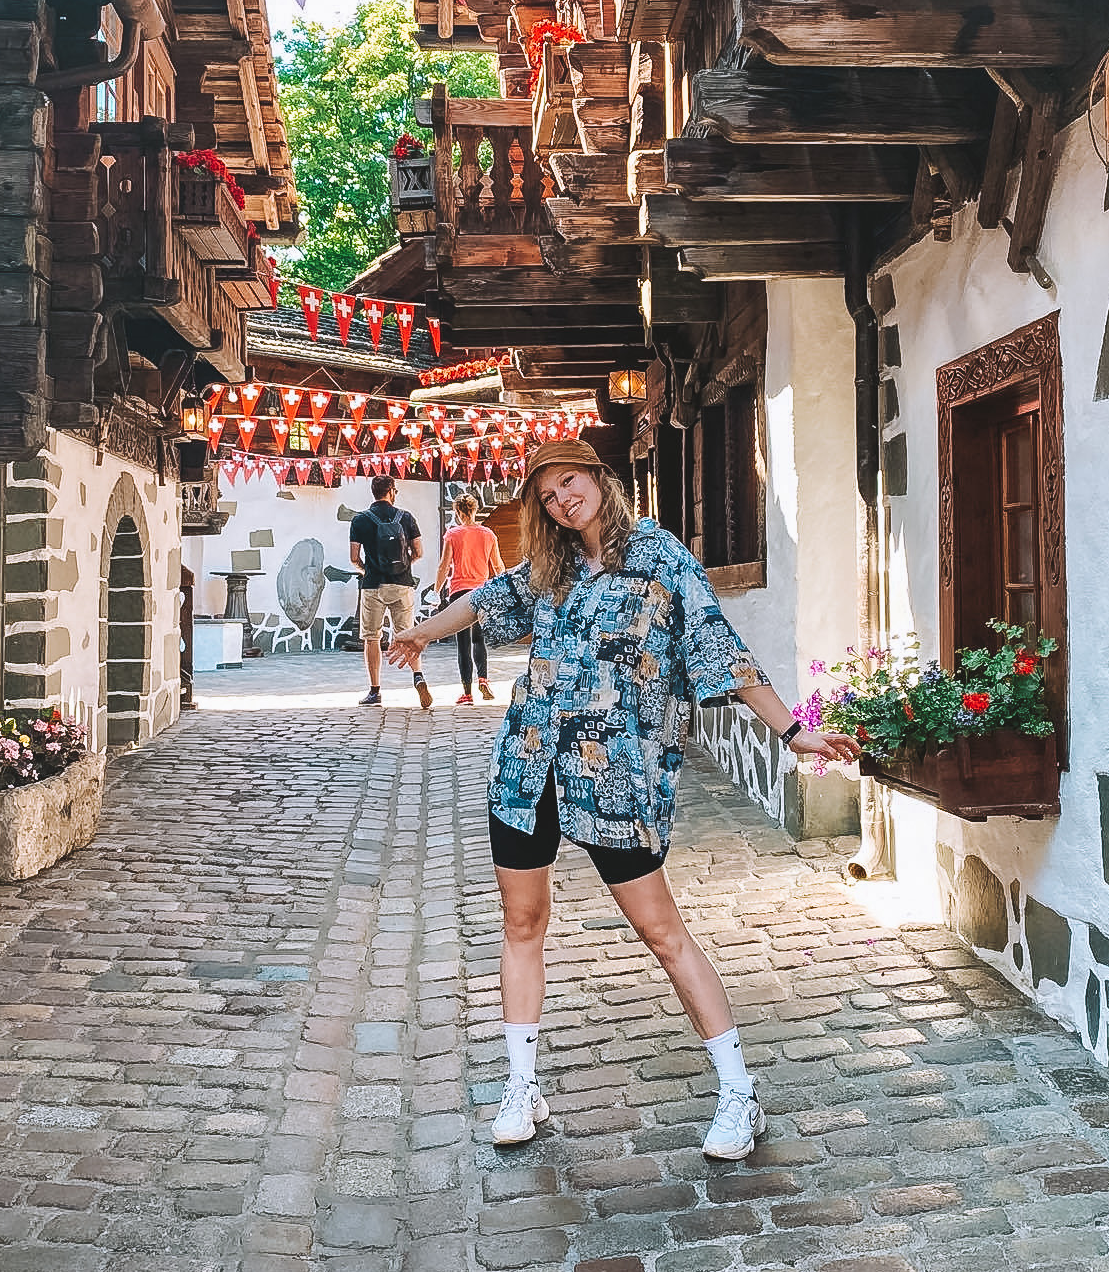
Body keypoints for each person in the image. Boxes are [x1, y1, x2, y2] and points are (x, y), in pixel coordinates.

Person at [389, 437, 858, 1159]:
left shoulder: (660, 557)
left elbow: (721, 649)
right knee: (522, 922)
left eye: (568, 482)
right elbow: (483, 600)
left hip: (615, 778)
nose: (560, 501)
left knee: (661, 932)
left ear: (600, 479)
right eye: (547, 495)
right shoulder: (551, 568)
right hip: (527, 768)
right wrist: (421, 633)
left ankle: (739, 1093)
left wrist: (794, 732)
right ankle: (522, 1087)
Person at [349, 475, 432, 710]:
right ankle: (418, 676)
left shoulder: (360, 520)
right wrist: (404, 566)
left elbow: (354, 557)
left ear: (373, 492)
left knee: (371, 637)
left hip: (373, 585)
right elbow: (419, 551)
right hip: (402, 584)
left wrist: (367, 570)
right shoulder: (406, 517)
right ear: (392, 491)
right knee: (407, 634)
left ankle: (375, 691)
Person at [434, 492, 505, 705]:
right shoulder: (488, 534)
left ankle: (467, 693)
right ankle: (483, 679)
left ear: (457, 512)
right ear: (475, 510)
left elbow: (444, 566)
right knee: (479, 639)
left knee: (463, 643)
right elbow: (498, 565)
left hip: (459, 592)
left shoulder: (452, 535)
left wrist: (437, 591)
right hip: (481, 591)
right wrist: (502, 590)